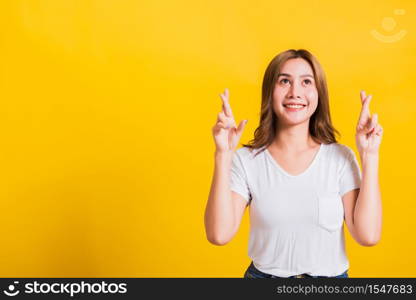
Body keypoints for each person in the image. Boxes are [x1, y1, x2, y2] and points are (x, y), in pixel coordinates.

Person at [204, 49, 383, 278]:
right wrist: (223, 154)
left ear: (319, 94)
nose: (295, 92)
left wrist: (370, 155)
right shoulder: (246, 160)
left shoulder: (340, 158)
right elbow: (219, 234)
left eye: (306, 82)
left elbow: (368, 235)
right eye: (284, 81)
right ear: (270, 92)